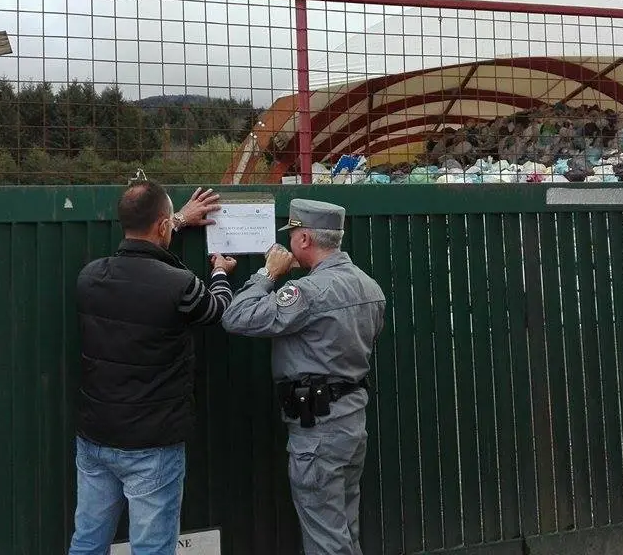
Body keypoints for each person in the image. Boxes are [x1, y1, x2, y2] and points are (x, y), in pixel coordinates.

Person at [69, 182, 237, 555]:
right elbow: (218, 309)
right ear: (162, 226)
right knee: (153, 547)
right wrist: (222, 272)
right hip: (151, 444)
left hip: (95, 436)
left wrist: (176, 219)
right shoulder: (179, 285)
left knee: (87, 539)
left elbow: (144, 257)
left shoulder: (89, 278)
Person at [221, 198, 386, 555]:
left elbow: (236, 317)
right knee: (344, 529)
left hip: (318, 430)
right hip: (351, 423)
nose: (291, 241)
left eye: (293, 233)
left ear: (305, 240)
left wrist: (268, 273)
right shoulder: (371, 288)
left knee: (326, 539)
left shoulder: (308, 292)